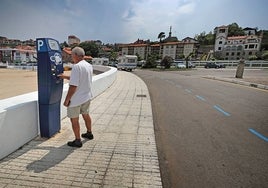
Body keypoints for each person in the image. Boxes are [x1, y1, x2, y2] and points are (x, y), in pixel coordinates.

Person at [58, 47, 94, 147]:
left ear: (75, 55)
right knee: (86, 115)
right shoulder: (88, 66)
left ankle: (77, 140)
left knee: (74, 119)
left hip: (76, 99)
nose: (71, 57)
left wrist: (67, 99)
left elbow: (73, 86)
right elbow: (80, 79)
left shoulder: (76, 67)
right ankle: (89, 133)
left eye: (71, 55)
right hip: (87, 96)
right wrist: (64, 76)